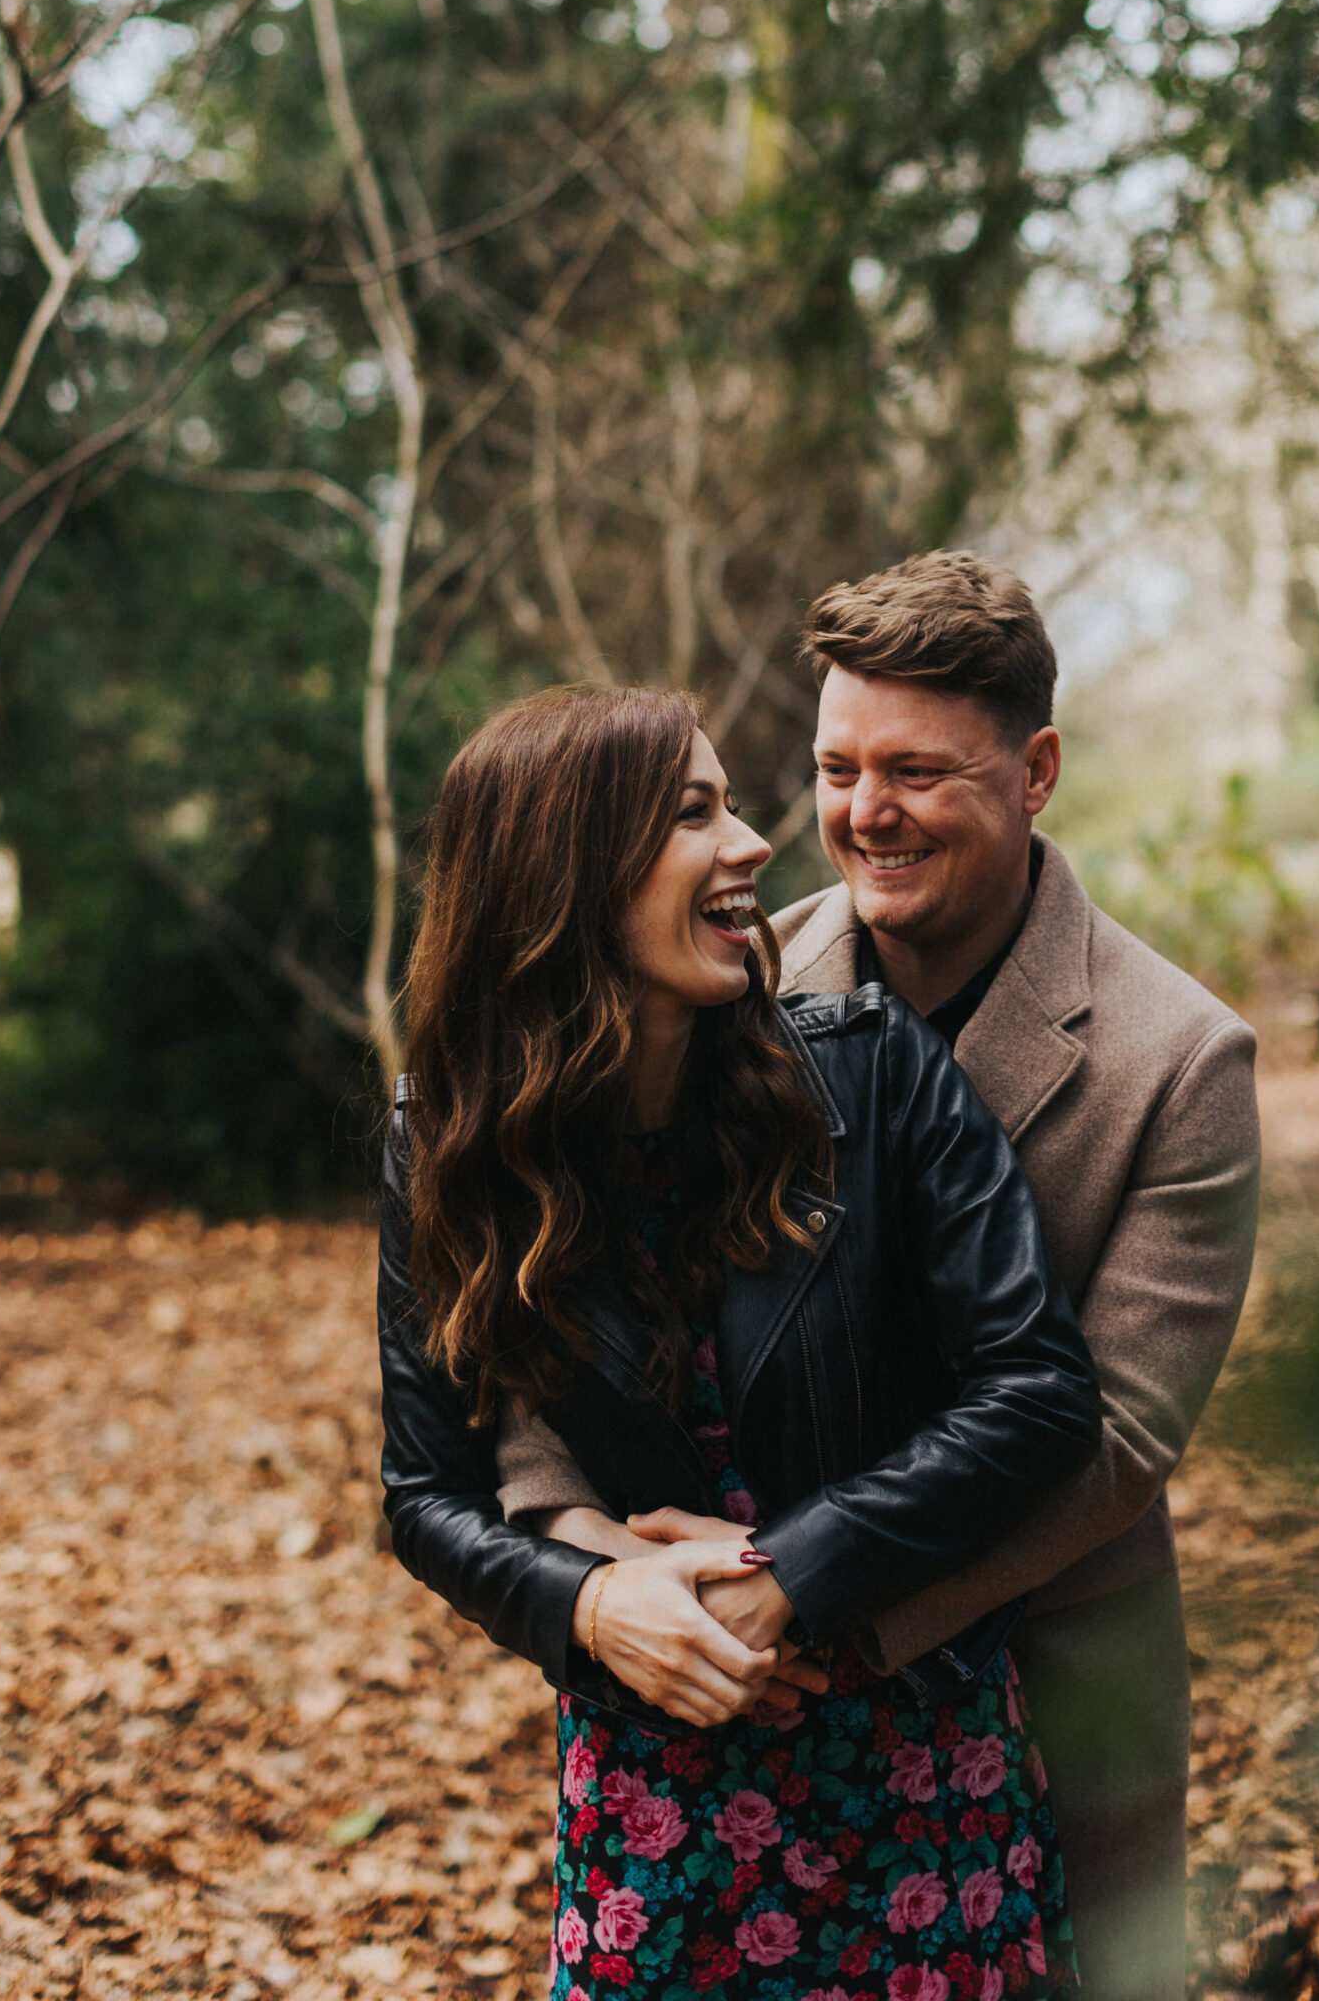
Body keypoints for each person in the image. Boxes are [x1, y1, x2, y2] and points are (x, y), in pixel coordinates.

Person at [497, 555, 1263, 2001]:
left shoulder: (1182, 1063)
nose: (862, 814)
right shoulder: (732, 982)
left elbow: (1117, 1434)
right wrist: (598, 1562)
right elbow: (558, 1290)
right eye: (838, 768)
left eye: (916, 772)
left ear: (1036, 770)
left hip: (1041, 1669)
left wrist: (820, 1593)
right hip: (722, 1696)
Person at [379, 683, 1103, 1998]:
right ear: (568, 874)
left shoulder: (874, 1075)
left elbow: (1038, 1394)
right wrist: (597, 1601)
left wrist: (783, 1576)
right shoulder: (448, 1141)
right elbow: (428, 1495)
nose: (754, 844)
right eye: (692, 814)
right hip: (656, 1764)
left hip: (910, 1762)